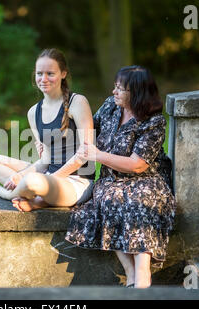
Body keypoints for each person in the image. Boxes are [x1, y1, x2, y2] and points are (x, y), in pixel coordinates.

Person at [65, 65, 176, 289]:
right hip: (111, 179)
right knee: (109, 201)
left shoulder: (154, 122)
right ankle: (131, 274)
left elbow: (137, 165)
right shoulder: (110, 107)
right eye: (115, 87)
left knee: (141, 204)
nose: (114, 92)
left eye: (120, 89)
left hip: (147, 180)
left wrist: (98, 155)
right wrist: (51, 139)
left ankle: (143, 274)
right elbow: (87, 129)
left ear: (136, 93)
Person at [0, 48, 95, 212]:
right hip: (48, 177)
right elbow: (45, 160)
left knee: (32, 182)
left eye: (50, 73)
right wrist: (19, 175)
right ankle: (30, 193)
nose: (44, 79)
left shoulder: (77, 102)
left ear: (63, 74)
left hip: (76, 182)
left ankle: (6, 194)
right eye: (39, 73)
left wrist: (43, 179)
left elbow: (85, 153)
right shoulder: (33, 112)